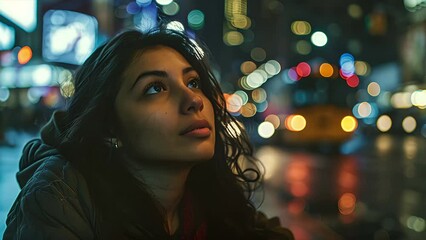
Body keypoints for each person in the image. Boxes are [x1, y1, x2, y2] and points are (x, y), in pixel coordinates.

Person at [3, 26, 293, 240]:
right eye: (155, 88)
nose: (194, 100)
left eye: (193, 82)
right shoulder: (58, 202)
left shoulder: (215, 203)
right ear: (109, 126)